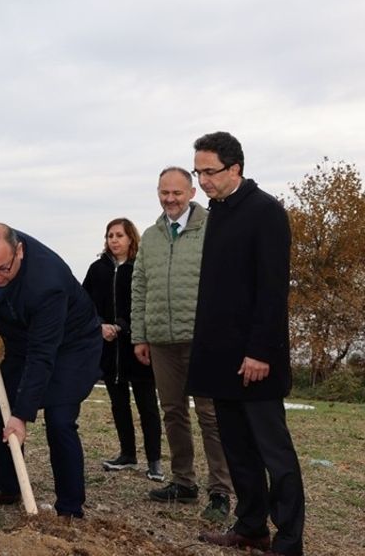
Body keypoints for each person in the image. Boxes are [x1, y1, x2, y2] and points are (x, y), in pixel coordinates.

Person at [187, 131, 304, 555]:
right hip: (221, 358)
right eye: (198, 171)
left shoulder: (265, 212)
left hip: (255, 359)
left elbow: (272, 290)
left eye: (210, 172)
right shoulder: (218, 212)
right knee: (237, 449)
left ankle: (289, 539)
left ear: (235, 168)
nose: (203, 181)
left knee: (274, 453)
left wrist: (259, 351)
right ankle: (252, 525)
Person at [0, 223, 101, 518]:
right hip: (22, 339)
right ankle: (8, 486)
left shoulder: (47, 283)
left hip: (72, 345)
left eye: (3, 269)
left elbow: (42, 356)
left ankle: (70, 508)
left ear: (19, 251)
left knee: (60, 419)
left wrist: (22, 415)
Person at [131, 167, 233, 522]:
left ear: (191, 192)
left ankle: (220, 490)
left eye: (176, 193)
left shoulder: (212, 228)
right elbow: (140, 285)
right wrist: (140, 335)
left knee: (210, 415)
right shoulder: (150, 236)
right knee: (172, 412)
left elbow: (224, 283)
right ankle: (183, 481)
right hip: (161, 340)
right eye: (164, 193)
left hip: (202, 338)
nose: (170, 199)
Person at [80, 218, 164, 480]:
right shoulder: (97, 270)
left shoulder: (141, 268)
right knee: (119, 404)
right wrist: (99, 326)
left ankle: (155, 461)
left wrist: (123, 327)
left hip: (137, 347)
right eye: (110, 235)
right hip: (108, 351)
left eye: (119, 235)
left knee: (147, 405)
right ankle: (127, 454)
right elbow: (84, 305)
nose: (114, 240)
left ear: (131, 238)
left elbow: (149, 304)